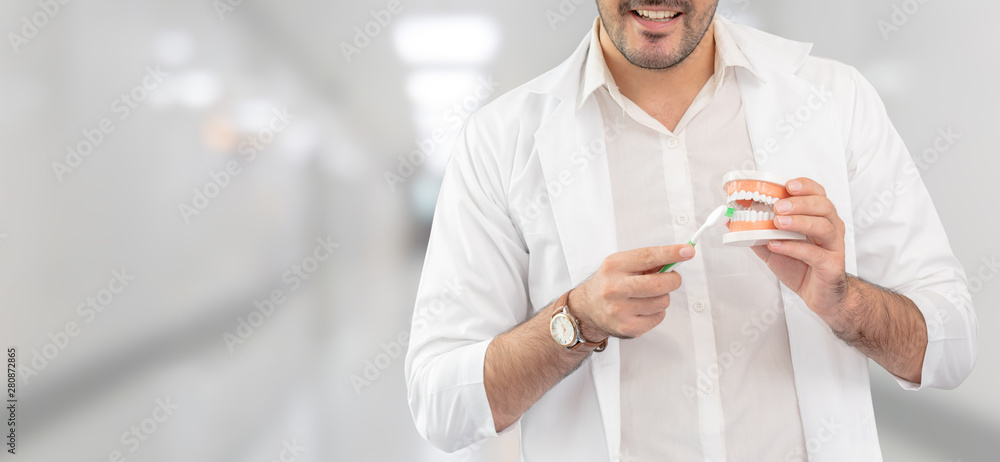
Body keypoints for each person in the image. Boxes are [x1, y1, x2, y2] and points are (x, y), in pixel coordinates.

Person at [403, 1, 979, 460]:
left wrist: (844, 301)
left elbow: (951, 348)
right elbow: (440, 406)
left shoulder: (835, 101)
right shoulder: (502, 142)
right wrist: (576, 322)